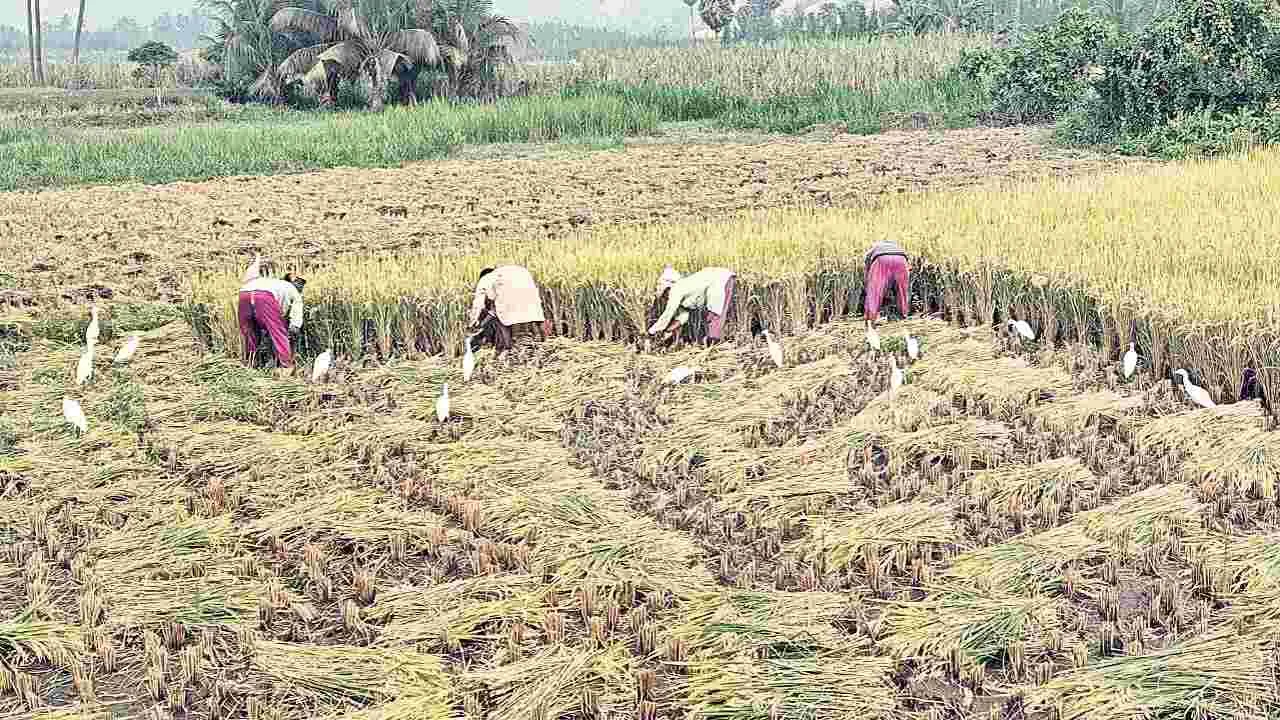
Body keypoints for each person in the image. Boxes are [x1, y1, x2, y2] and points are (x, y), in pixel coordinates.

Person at [469, 265, 551, 355]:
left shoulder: (485, 279)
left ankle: (509, 349)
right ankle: (545, 345)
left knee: (503, 320)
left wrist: (473, 322)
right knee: (536, 317)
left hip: (509, 302)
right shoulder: (509, 272)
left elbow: (479, 304)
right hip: (530, 295)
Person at [648, 266, 737, 345]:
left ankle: (713, 349)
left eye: (664, 295)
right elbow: (683, 317)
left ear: (667, 288)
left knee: (714, 315)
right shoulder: (683, 292)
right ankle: (712, 347)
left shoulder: (676, 288)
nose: (665, 298)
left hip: (721, 280)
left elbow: (668, 313)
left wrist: (652, 331)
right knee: (712, 317)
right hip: (721, 279)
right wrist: (668, 330)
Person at [238, 272, 305, 369]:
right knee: (279, 334)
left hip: (244, 294)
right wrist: (295, 326)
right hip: (264, 297)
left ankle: (251, 364)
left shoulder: (276, 283)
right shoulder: (292, 289)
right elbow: (292, 312)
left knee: (250, 333)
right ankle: (286, 367)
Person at [864, 240, 911, 323]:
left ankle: (871, 317)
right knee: (902, 290)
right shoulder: (898, 247)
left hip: (881, 259)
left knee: (875, 290)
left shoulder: (874, 247)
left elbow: (867, 267)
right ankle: (903, 314)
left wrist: (868, 281)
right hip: (901, 260)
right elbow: (909, 265)